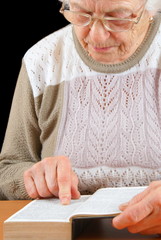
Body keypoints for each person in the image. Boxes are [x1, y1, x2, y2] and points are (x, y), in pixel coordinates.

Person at [0, 0, 161, 235]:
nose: (96, 36)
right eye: (81, 14)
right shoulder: (42, 61)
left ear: (149, 9)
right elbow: (9, 169)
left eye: (117, 17)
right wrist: (32, 178)